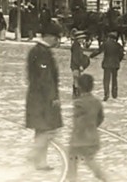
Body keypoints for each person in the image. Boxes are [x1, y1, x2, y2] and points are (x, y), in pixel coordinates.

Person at [26, 20, 63, 171]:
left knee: (41, 130)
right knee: (49, 129)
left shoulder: (38, 51)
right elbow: (45, 78)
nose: (57, 41)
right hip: (43, 99)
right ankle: (34, 154)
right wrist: (53, 97)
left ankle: (41, 162)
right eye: (56, 38)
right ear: (50, 36)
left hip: (36, 97)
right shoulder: (42, 53)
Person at [67, 73, 107, 182]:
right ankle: (104, 178)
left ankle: (72, 179)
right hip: (93, 137)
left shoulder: (79, 103)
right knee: (90, 160)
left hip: (79, 138)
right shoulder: (96, 102)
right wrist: (93, 126)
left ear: (79, 87)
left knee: (72, 158)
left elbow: (77, 121)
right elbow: (100, 118)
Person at [90, 30, 125, 101]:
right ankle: (114, 93)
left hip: (107, 64)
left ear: (109, 37)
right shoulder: (118, 45)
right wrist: (118, 60)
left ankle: (106, 94)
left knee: (106, 79)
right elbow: (122, 54)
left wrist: (91, 56)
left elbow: (98, 51)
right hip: (115, 64)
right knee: (114, 79)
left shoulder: (105, 44)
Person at [70, 28, 91, 97]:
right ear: (78, 38)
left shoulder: (77, 45)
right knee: (76, 78)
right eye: (82, 38)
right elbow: (75, 57)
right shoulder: (76, 46)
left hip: (74, 65)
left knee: (76, 78)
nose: (83, 39)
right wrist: (80, 65)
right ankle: (76, 93)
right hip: (76, 65)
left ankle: (75, 93)